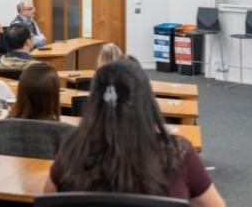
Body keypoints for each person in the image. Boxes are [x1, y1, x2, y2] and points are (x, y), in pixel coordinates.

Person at [44, 58, 225, 206]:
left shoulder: (73, 148)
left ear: (93, 101)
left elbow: (48, 199)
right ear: (146, 101)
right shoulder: (178, 152)